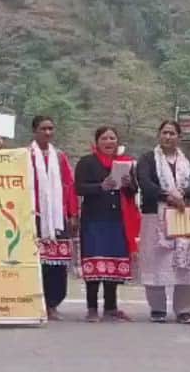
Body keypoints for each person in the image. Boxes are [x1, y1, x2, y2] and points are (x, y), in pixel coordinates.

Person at [135, 120, 190, 324]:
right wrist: (169, 196)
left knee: (187, 264)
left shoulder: (188, 160)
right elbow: (145, 183)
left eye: (172, 133)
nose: (168, 137)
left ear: (179, 137)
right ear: (159, 135)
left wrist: (183, 193)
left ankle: (184, 310)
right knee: (156, 261)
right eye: (164, 132)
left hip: (184, 215)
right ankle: (157, 308)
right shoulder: (148, 159)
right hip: (156, 216)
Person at [73, 126, 139, 322]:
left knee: (113, 262)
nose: (109, 142)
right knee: (94, 260)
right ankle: (92, 307)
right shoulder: (87, 162)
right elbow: (79, 188)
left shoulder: (125, 163)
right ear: (97, 141)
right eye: (105, 138)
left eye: (112, 138)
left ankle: (111, 307)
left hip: (117, 219)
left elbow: (134, 190)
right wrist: (100, 186)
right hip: (94, 219)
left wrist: (128, 184)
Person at [29, 116, 79, 320]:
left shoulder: (60, 157)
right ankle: (35, 303)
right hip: (34, 215)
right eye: (43, 129)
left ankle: (52, 304)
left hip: (58, 218)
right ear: (34, 131)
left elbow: (70, 185)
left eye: (51, 128)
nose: (48, 132)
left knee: (57, 264)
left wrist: (73, 213)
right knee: (37, 263)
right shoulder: (25, 155)